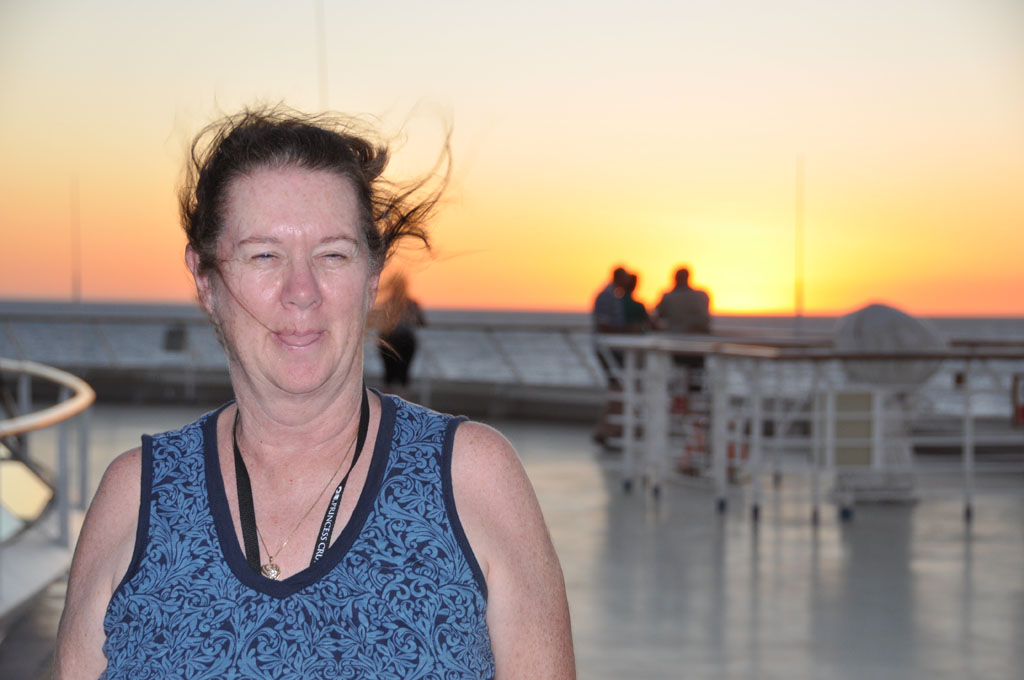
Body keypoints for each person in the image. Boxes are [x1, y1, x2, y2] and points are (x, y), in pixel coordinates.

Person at [54, 107, 575, 679]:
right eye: (264, 255)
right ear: (205, 279)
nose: (302, 291)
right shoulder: (135, 496)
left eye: (333, 254)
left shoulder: (473, 479)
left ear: (371, 277)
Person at [374, 271, 425, 394]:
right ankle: (402, 404)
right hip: (403, 341)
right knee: (403, 377)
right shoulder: (411, 304)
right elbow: (422, 322)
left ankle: (386, 403)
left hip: (389, 341)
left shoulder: (387, 303)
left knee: (389, 376)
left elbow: (379, 322)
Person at [655, 267, 711, 334]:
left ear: (675, 278)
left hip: (675, 333)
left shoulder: (668, 297)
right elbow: (705, 319)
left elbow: (658, 314)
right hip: (697, 334)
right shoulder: (702, 295)